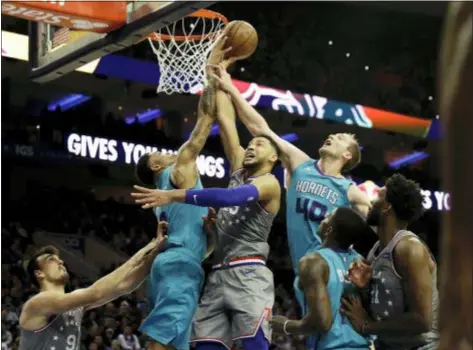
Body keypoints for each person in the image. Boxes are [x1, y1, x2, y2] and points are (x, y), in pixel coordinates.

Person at [209, 63, 371, 348]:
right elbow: (260, 128)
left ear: (347, 154)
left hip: (331, 270)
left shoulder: (349, 190)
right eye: (332, 134)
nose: (331, 135)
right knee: (319, 336)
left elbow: (376, 223)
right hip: (305, 272)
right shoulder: (301, 164)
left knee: (337, 331)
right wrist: (230, 87)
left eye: (340, 138)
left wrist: (367, 263)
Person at [132, 76, 281, 350]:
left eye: (260, 144)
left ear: (274, 158)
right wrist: (218, 75)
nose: (251, 146)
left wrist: (219, 76)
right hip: (207, 271)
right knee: (177, 340)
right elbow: (219, 120)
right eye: (249, 144)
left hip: (245, 270)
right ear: (154, 166)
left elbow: (231, 197)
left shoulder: (269, 183)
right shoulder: (179, 171)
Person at [131, 37, 231, 350]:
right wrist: (211, 74)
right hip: (178, 267)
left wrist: (210, 234)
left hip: (180, 264)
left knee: (174, 343)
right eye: (155, 154)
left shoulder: (168, 195)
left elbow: (203, 250)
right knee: (161, 341)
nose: (162, 152)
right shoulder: (177, 172)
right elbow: (204, 122)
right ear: (155, 166)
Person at [18, 227, 168, 350]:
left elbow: (125, 286)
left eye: (59, 259)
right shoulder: (38, 302)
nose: (61, 262)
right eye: (51, 260)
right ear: (39, 273)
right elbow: (96, 292)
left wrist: (155, 253)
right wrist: (140, 255)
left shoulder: (75, 303)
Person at [342, 174, 439, 350]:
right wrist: (364, 288)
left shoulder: (409, 248)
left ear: (387, 206)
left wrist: (367, 326)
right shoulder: (376, 250)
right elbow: (385, 310)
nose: (370, 201)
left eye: (378, 195)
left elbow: (422, 321)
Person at [270, 207, 371, 350]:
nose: (323, 218)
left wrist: (287, 326)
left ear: (329, 230)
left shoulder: (314, 261)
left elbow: (322, 323)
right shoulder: (361, 262)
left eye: (328, 216)